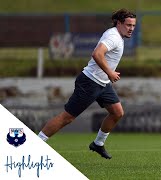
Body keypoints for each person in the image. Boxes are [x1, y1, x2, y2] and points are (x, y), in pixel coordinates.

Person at [38, 9, 136, 160]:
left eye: (133, 25)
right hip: (90, 82)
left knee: (117, 112)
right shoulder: (113, 37)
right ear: (119, 23)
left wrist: (107, 76)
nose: (131, 28)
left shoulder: (117, 35)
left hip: (102, 84)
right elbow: (97, 54)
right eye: (128, 25)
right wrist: (110, 72)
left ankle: (98, 143)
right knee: (67, 118)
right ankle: (36, 143)